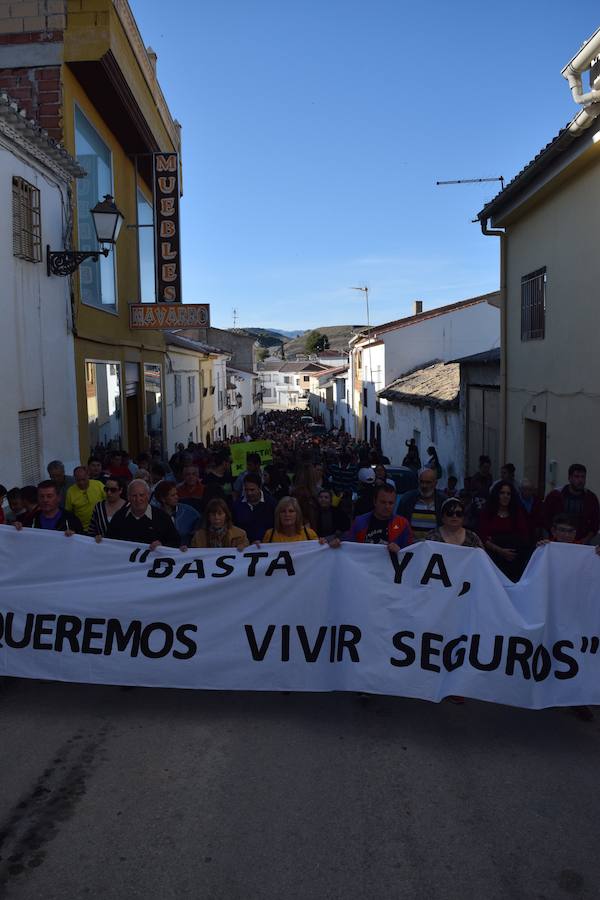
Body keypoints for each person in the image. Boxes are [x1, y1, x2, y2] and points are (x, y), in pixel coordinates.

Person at [478, 480, 530, 581]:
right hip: (492, 558)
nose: (505, 496)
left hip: (513, 559)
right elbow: (482, 537)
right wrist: (500, 550)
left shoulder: (517, 513)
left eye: (508, 494)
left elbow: (523, 535)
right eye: (502, 493)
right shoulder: (487, 512)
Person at [107, 479, 180, 549]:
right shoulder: (119, 517)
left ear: (148, 496)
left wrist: (162, 545)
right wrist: (99, 542)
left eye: (141, 495)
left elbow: (176, 543)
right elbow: (109, 543)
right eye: (134, 496)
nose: (138, 499)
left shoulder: (163, 517)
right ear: (128, 497)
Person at [542, 464, 599, 544]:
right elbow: (545, 518)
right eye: (577, 476)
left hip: (581, 542)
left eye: (583, 477)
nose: (580, 480)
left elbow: (595, 524)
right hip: (558, 540)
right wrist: (555, 536)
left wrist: (586, 540)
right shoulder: (555, 495)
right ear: (569, 478)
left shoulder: (591, 498)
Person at [347, 483, 413, 551]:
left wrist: (399, 551)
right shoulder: (359, 522)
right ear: (375, 502)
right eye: (383, 502)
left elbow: (411, 551)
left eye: (390, 503)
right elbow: (348, 547)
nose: (387, 507)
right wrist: (337, 544)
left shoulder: (402, 524)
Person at [397, 468, 445, 541]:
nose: (424, 486)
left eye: (428, 482)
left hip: (435, 547)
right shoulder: (407, 500)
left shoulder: (442, 502)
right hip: (411, 547)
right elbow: (398, 524)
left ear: (435, 483)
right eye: (421, 482)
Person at [154, 481, 201, 546]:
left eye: (176, 494)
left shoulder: (188, 510)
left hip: (186, 552)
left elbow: (201, 522)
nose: (177, 497)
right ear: (163, 499)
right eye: (173, 495)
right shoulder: (155, 515)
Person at [232, 473, 276, 542]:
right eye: (246, 490)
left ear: (260, 488)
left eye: (252, 490)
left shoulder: (271, 503)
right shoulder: (237, 506)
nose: (249, 493)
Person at [65, 466, 106, 532]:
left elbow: (108, 501)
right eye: (78, 480)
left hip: (100, 526)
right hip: (82, 529)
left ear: (88, 476)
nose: (81, 483)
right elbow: (68, 512)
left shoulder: (98, 485)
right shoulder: (70, 491)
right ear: (74, 478)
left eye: (83, 479)